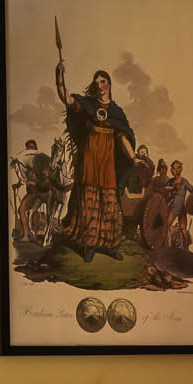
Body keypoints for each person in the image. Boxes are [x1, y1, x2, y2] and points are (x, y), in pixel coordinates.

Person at [58, 64, 137, 263]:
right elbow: (67, 99)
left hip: (107, 160)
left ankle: (110, 245)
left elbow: (123, 136)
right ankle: (90, 245)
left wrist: (133, 157)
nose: (100, 85)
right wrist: (59, 76)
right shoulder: (89, 104)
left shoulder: (116, 111)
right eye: (97, 82)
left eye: (103, 81)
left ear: (109, 84)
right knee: (89, 201)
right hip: (90, 157)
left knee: (109, 203)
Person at [165, 160, 193, 247]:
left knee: (169, 226)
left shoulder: (184, 181)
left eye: (173, 169)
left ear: (178, 170)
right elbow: (165, 187)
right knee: (183, 228)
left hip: (177, 208)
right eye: (172, 169)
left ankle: (171, 247)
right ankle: (175, 247)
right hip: (177, 207)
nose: (171, 171)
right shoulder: (171, 181)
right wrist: (172, 187)